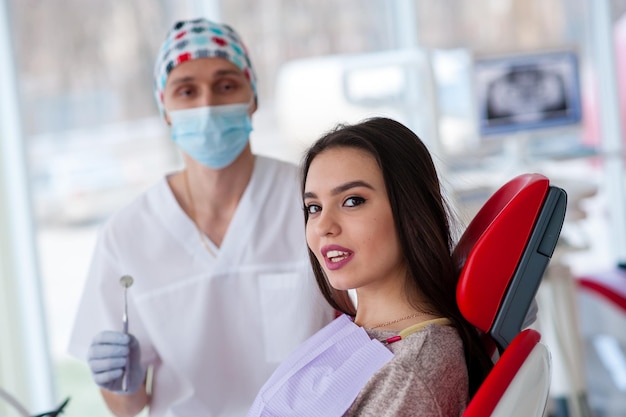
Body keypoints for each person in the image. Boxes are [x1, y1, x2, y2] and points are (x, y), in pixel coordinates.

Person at [67, 17, 334, 417]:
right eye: (186, 90)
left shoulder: (309, 199)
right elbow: (127, 406)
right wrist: (124, 378)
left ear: (253, 97)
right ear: (166, 109)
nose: (207, 105)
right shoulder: (127, 235)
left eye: (226, 85)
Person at [247, 117, 494, 417]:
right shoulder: (362, 332)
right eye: (314, 207)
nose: (323, 225)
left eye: (352, 201)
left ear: (411, 211)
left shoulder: (411, 368)